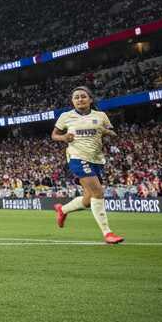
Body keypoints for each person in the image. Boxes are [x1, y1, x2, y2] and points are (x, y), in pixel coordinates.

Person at [52, 87, 123, 244]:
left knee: (87, 199)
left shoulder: (101, 116)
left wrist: (108, 133)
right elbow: (54, 135)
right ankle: (108, 233)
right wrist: (64, 137)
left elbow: (108, 131)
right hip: (77, 157)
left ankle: (62, 210)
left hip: (97, 159)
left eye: (83, 96)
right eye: (76, 97)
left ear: (90, 99)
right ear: (72, 101)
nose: (79, 99)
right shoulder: (66, 116)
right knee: (98, 192)